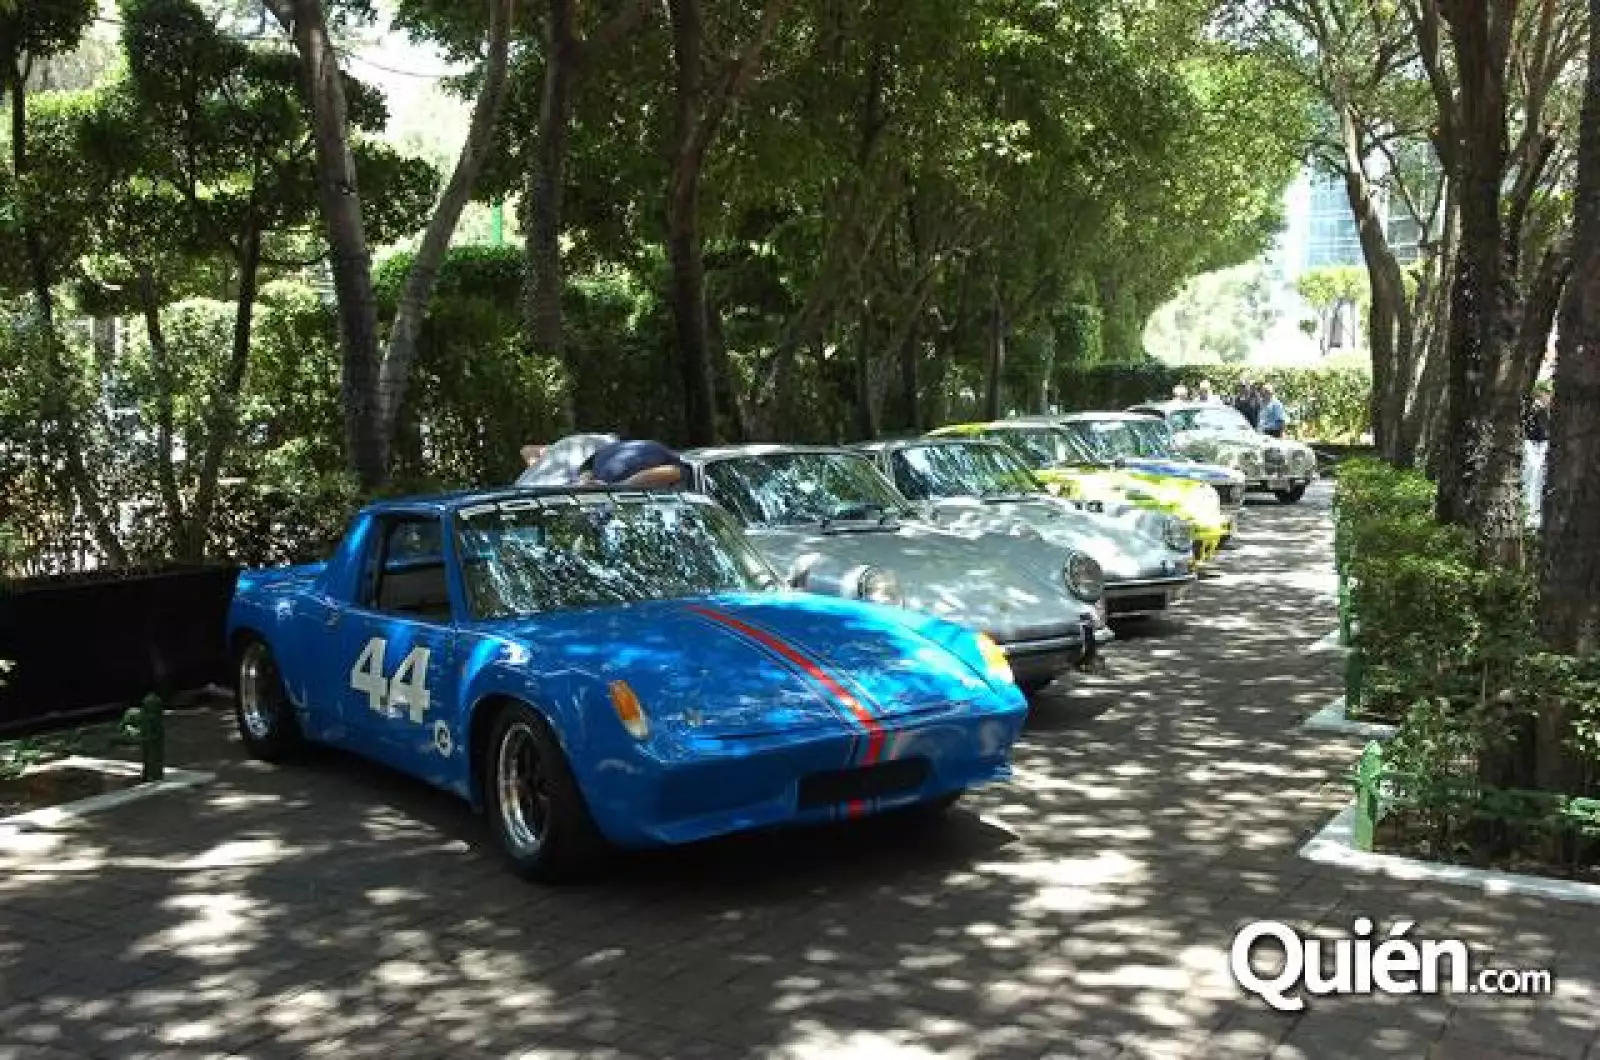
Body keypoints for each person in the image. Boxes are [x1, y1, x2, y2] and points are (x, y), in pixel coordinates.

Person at [579, 438, 691, 490]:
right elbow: (675, 472)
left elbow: (586, 472)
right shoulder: (668, 456)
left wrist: (585, 484)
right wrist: (618, 487)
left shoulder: (606, 451)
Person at [517, 433, 620, 486]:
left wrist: (539, 469)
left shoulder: (566, 443)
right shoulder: (606, 448)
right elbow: (588, 472)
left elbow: (526, 450)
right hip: (550, 491)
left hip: (520, 488)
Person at [1523, 386, 1551, 526]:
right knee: (1531, 473)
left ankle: (1534, 514)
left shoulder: (1546, 409)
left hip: (1542, 442)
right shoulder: (1530, 408)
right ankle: (1529, 513)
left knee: (1538, 475)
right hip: (1530, 442)